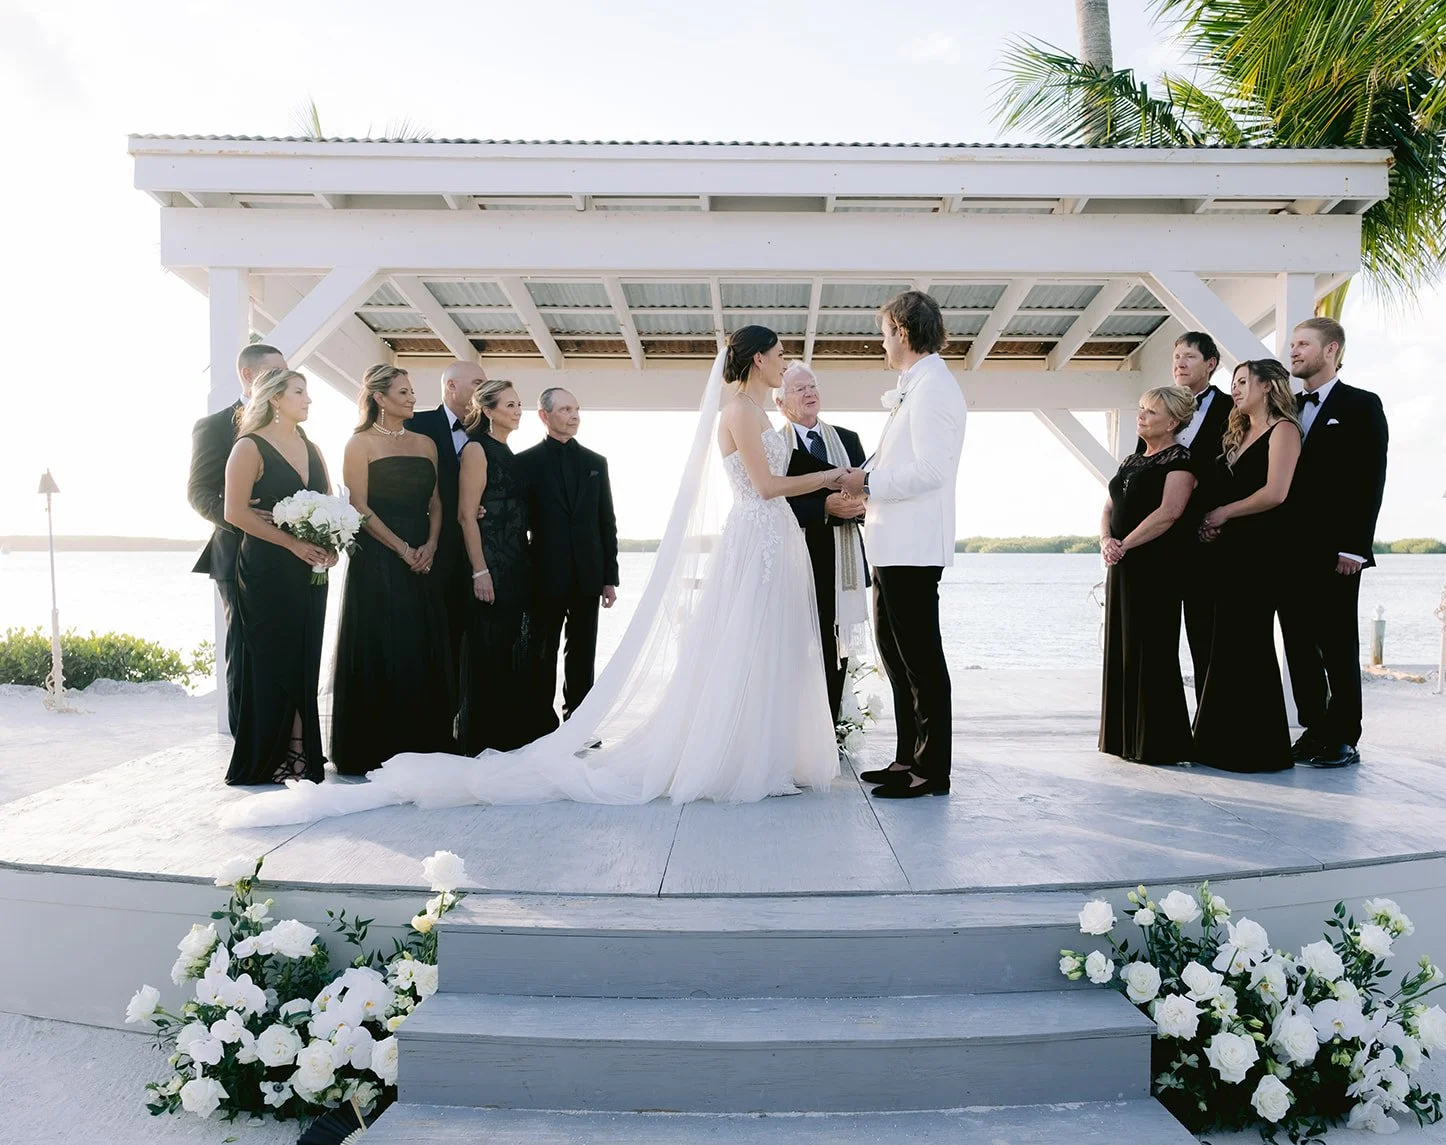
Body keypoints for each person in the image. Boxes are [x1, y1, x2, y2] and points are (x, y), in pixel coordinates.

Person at [217, 327, 846, 827]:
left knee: (773, 646)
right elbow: (764, 486)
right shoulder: (736, 411)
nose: (784, 362)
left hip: (765, 540)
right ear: (758, 359)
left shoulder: (751, 417)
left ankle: (767, 750)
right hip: (738, 535)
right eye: (779, 355)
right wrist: (828, 479)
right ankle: (728, 756)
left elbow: (593, 518)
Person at [843, 291, 967, 800]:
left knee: (921, 661)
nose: (882, 341)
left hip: (914, 548)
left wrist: (867, 485)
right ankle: (905, 757)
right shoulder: (913, 387)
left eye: (885, 332)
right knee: (895, 657)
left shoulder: (935, 387)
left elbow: (933, 471)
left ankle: (932, 770)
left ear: (902, 330)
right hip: (891, 547)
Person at [328, 365, 456, 775]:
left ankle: (424, 743)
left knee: (422, 644)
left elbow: (436, 500)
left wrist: (431, 545)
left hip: (424, 555)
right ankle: (377, 747)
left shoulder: (425, 443)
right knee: (384, 643)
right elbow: (358, 506)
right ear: (380, 398)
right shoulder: (359, 443)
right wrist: (402, 548)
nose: (412, 398)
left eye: (412, 390)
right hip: (379, 558)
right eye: (403, 392)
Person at [1280, 318, 1389, 769]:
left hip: (1335, 553)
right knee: (1298, 645)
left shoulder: (1362, 405)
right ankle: (1315, 729)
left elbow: (1370, 479)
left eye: (1303, 344)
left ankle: (1344, 735)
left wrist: (1355, 547)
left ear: (1332, 350)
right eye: (1292, 345)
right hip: (1286, 550)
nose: (1294, 352)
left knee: (1338, 645)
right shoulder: (1285, 407)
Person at [221, 369, 337, 785]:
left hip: (311, 570)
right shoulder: (248, 447)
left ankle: (302, 754)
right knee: (274, 659)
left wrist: (332, 545)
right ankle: (271, 757)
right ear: (274, 399)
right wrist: (293, 545)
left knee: (305, 656)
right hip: (268, 569)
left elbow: (328, 506)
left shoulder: (313, 448)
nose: (308, 400)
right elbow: (234, 512)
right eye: (300, 392)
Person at [1190, 359, 1301, 773]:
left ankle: (1259, 750)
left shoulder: (1284, 430)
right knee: (1224, 645)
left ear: (1268, 386)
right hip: (1228, 553)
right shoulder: (1237, 432)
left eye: (1241, 382)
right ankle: (1219, 744)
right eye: (1232, 383)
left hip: (1263, 553)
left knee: (1249, 643)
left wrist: (1223, 514)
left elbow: (1276, 492)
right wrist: (1212, 523)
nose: (1234, 390)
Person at [188, 342, 285, 733]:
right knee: (246, 651)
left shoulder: (289, 425)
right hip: (237, 554)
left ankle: (285, 738)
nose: (283, 377)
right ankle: (248, 742)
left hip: (287, 553)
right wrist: (243, 519)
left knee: (284, 647)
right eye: (275, 370)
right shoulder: (214, 425)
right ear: (248, 375)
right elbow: (199, 493)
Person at [1099, 387, 1199, 764]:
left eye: (1151, 413)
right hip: (1122, 565)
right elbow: (1109, 504)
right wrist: (1106, 539)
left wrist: (1125, 544)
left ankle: (1158, 743)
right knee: (1123, 647)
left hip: (1156, 568)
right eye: (1141, 409)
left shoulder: (1181, 462)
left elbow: (1169, 513)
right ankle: (1123, 739)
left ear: (1172, 421)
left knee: (1152, 650)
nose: (1141, 417)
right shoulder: (1131, 460)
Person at [515, 387, 620, 738]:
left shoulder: (596, 463)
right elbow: (516, 523)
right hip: (543, 574)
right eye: (565, 410)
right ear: (544, 416)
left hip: (589, 575)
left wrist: (610, 577)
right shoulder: (524, 463)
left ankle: (579, 724)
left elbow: (606, 522)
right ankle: (539, 726)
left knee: (582, 652)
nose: (574, 416)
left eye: (576, 409)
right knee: (541, 653)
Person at [778, 362, 869, 723]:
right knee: (793, 646)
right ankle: (793, 729)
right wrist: (823, 507)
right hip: (795, 557)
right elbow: (769, 501)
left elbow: (868, 492)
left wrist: (857, 507)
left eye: (812, 385)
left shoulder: (847, 439)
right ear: (781, 402)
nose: (810, 392)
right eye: (799, 388)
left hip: (839, 560)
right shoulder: (774, 445)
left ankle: (828, 731)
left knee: (836, 648)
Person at [456, 380, 540, 756]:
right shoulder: (476, 450)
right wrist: (479, 570)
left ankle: (512, 734)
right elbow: (465, 515)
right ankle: (484, 738)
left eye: (519, 403)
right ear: (488, 410)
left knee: (513, 647)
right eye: (510, 404)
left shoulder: (511, 453)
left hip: (518, 561)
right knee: (487, 649)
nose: (517, 410)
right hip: (490, 563)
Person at [406, 359, 486, 687]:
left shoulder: (487, 431)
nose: (484, 390)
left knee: (465, 638)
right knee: (424, 634)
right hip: (427, 546)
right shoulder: (416, 425)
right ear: (451, 386)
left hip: (473, 552)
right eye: (477, 383)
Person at [1164, 332, 1232, 696]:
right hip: (1161, 538)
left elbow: (1234, 470)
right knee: (1159, 635)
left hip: (1207, 537)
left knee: (1204, 633)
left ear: (1211, 364)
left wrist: (1219, 518)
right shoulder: (1158, 407)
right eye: (1176, 356)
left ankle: (1209, 723)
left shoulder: (1231, 408)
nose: (1180, 362)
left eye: (1189, 356)